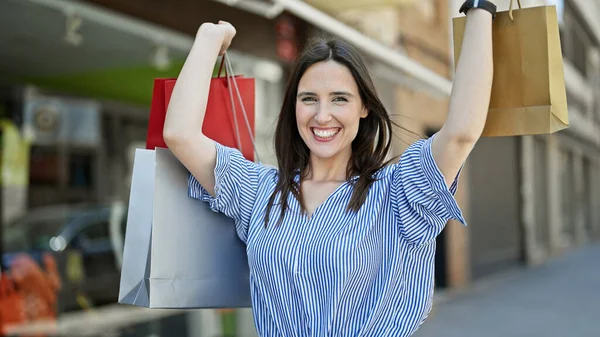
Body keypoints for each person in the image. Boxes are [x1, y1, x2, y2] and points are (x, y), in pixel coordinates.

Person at [163, 0, 494, 335]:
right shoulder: (260, 191)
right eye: (308, 99)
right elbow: (179, 134)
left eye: (339, 99)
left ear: (364, 107)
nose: (322, 116)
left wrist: (480, 8)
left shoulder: (397, 193)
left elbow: (460, 134)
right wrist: (208, 39)